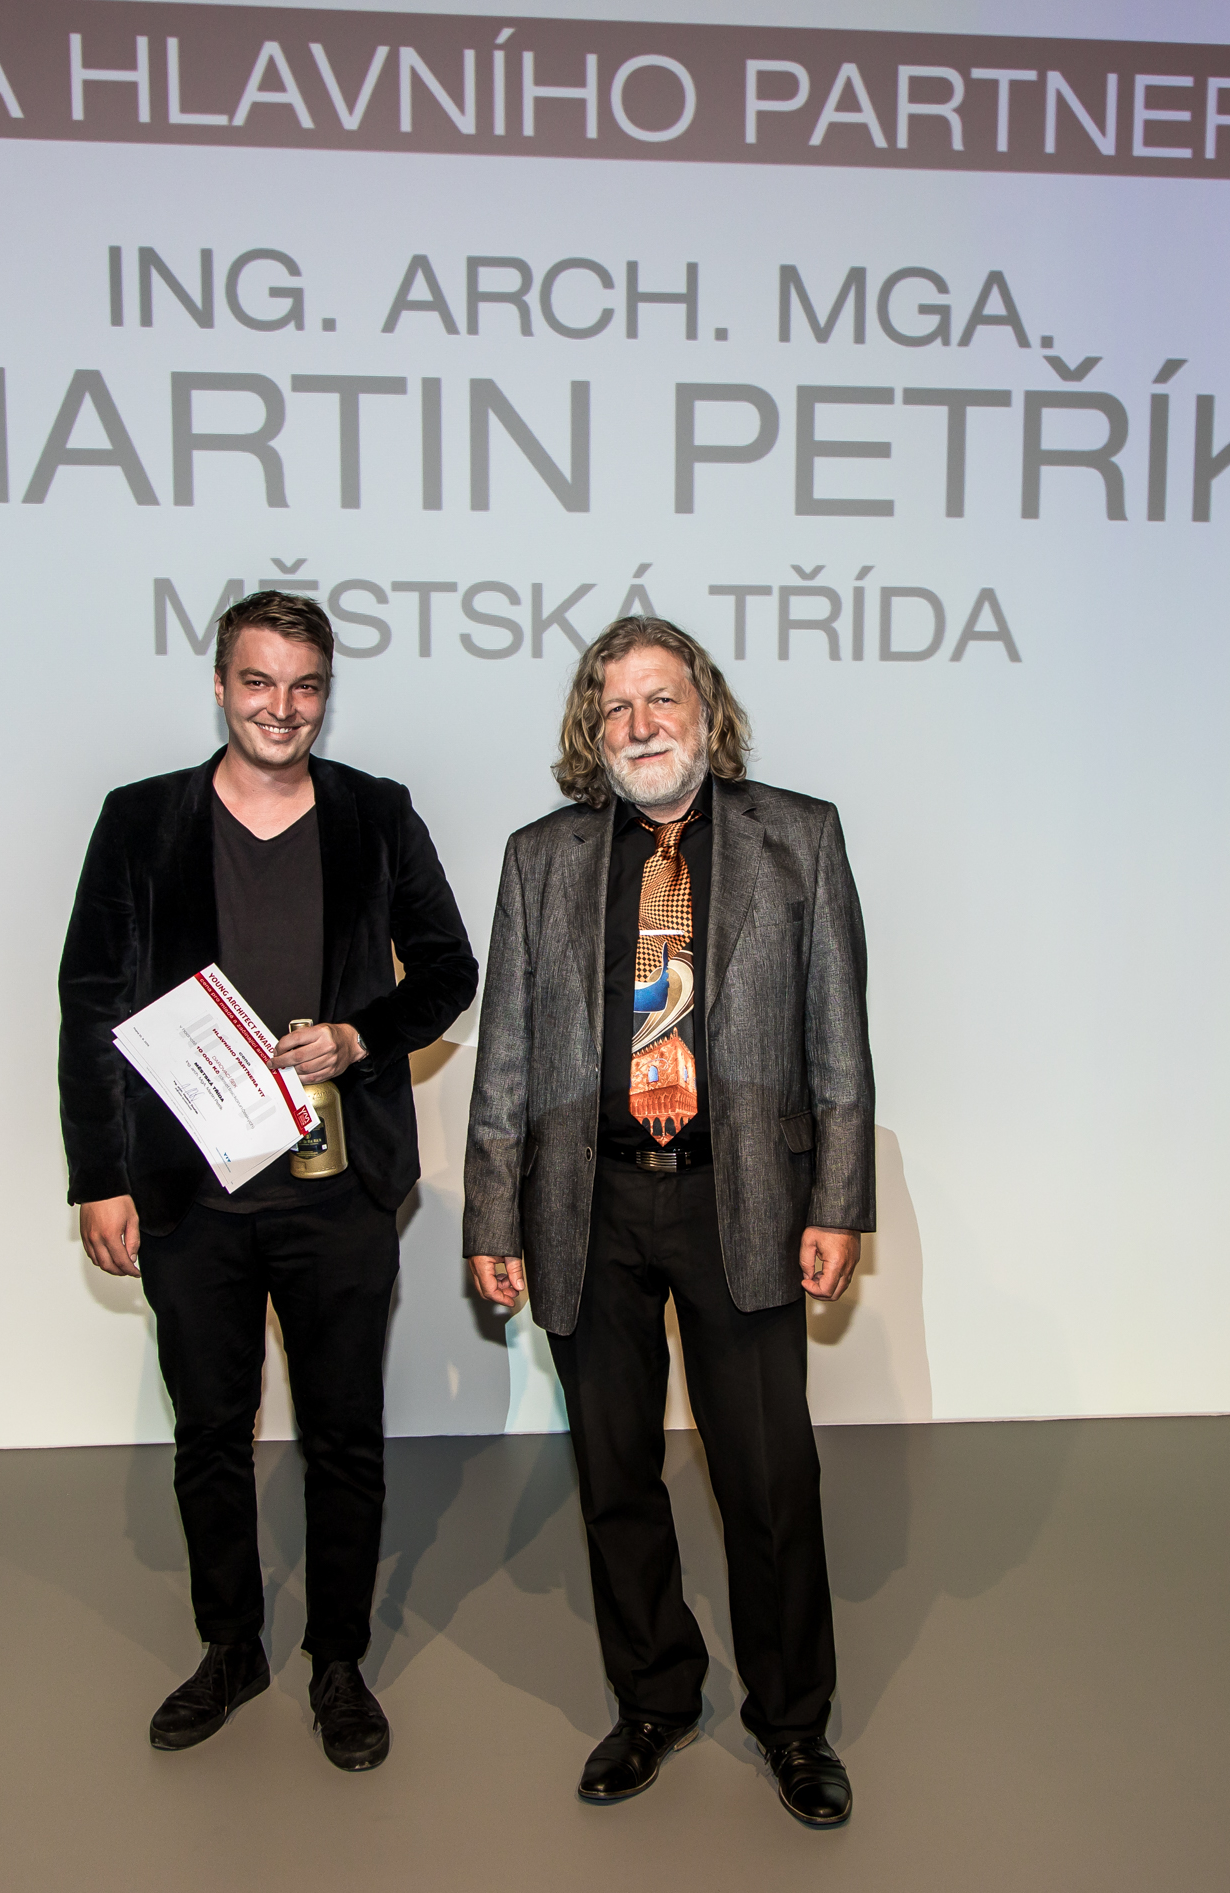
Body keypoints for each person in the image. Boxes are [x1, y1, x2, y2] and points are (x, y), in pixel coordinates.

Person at [462, 616, 874, 1827]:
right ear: (590, 729)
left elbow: (836, 1036)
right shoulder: (538, 859)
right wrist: (493, 1213)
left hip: (740, 1197)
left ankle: (791, 1724)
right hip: (585, 1202)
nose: (640, 725)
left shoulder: (798, 837)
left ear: (707, 710)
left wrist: (836, 1200)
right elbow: (504, 1056)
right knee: (614, 1477)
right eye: (615, 706)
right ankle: (652, 1699)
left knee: (767, 1480)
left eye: (662, 699)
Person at [59, 591, 477, 1769]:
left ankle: (336, 1661)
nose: (280, 708)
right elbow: (89, 1002)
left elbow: (448, 968)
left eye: (303, 687)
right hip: (187, 1194)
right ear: (219, 686)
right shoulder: (139, 820)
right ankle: (229, 1647)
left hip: (335, 1189)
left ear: (324, 695)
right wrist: (98, 1176)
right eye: (257, 682)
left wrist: (359, 1036)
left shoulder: (375, 814)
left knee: (343, 1433)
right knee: (209, 1430)